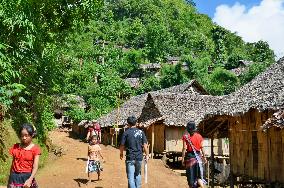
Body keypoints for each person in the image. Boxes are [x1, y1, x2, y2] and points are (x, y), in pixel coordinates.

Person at [7, 123, 41, 188]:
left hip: (27, 178)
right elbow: (13, 163)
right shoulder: (15, 147)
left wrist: (30, 180)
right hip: (14, 177)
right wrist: (10, 177)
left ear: (32, 135)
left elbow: (35, 166)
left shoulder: (35, 149)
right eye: (22, 135)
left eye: (26, 135)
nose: (24, 138)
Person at [119, 116, 149, 188]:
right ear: (136, 123)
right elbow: (145, 145)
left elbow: (122, 145)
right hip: (139, 157)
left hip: (130, 157)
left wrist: (121, 153)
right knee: (138, 174)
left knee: (131, 178)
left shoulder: (126, 133)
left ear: (128, 124)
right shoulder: (141, 132)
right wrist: (147, 155)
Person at [182, 120, 207, 188]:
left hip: (190, 158)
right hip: (198, 158)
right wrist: (204, 157)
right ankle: (203, 187)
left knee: (191, 178)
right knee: (199, 177)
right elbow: (202, 147)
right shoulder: (199, 136)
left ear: (188, 129)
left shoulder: (185, 137)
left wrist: (183, 159)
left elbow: (184, 148)